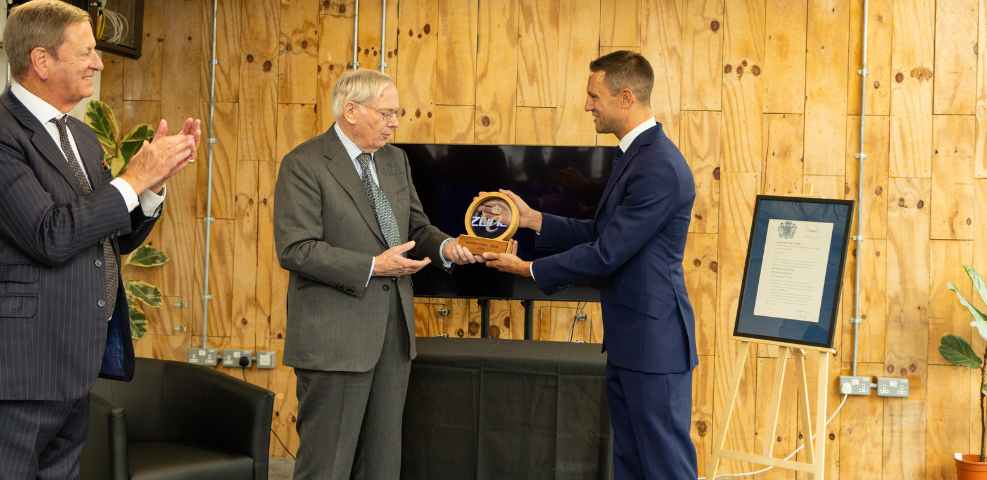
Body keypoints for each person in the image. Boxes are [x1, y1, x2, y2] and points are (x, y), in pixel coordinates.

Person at [0, 1, 201, 478]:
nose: (98, 62)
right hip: (12, 374)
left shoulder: (83, 139)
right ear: (42, 61)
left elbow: (110, 235)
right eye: (87, 52)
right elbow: (50, 234)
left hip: (72, 367)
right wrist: (132, 179)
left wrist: (151, 187)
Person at [482, 50, 698, 480]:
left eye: (592, 95)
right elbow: (602, 234)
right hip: (631, 341)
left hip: (654, 345)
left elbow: (607, 253)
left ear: (624, 97)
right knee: (632, 463)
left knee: (664, 467)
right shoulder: (637, 155)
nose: (586, 105)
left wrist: (529, 270)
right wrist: (532, 219)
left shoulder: (657, 166)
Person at [273, 68, 478, 480]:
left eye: (396, 113)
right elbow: (296, 249)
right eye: (386, 113)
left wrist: (445, 247)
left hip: (392, 337)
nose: (395, 122)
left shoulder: (395, 160)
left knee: (382, 466)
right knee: (326, 467)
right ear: (351, 111)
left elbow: (415, 228)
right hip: (335, 340)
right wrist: (372, 266)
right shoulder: (304, 163)